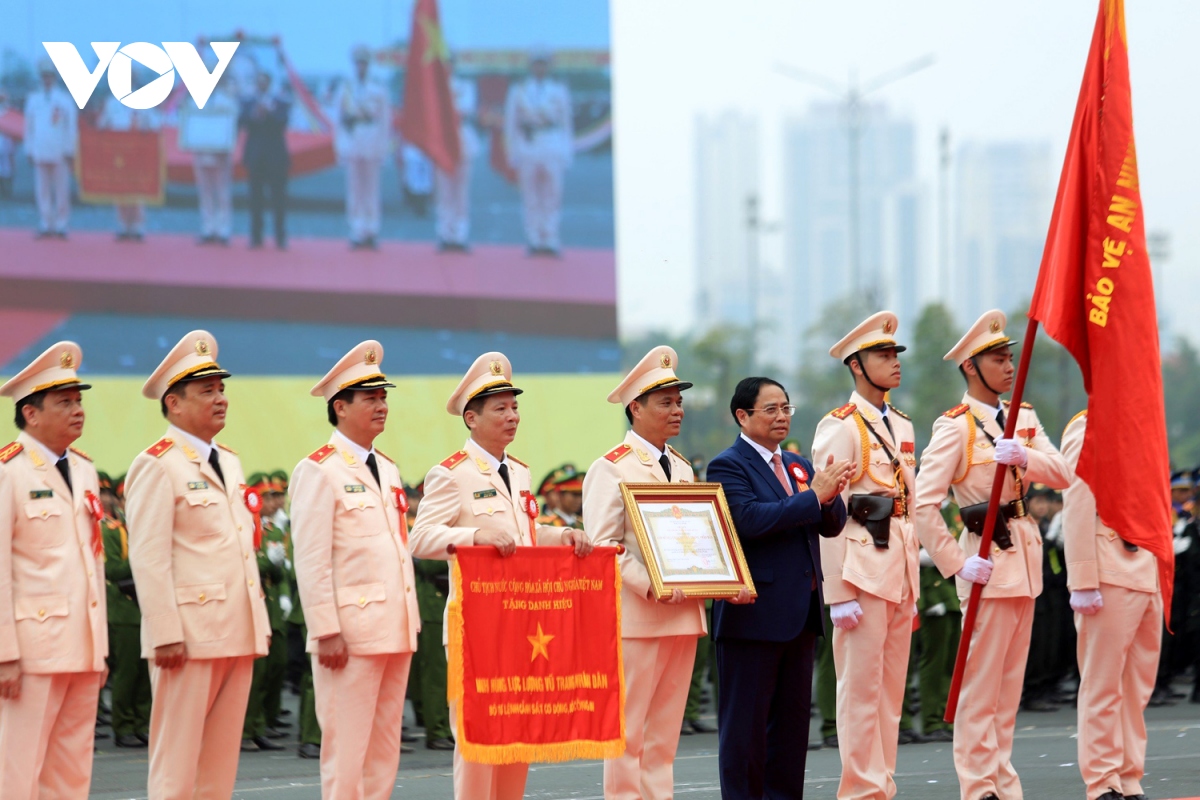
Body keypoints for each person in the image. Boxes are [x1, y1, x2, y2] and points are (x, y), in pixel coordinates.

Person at [410, 351, 589, 800]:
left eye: (515, 407)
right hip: (477, 624)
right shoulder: (450, 474)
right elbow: (420, 538)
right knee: (479, 737)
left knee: (517, 735)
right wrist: (475, 535)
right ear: (471, 418)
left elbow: (525, 535)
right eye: (501, 409)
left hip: (524, 622)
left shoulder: (520, 472)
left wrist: (563, 535)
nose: (513, 417)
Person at [913, 309, 1071, 800]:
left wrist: (1026, 457)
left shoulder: (1024, 417)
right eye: (997, 359)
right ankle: (979, 785)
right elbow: (923, 504)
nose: (1008, 367)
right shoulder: (955, 427)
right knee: (981, 688)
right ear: (970, 367)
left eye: (1009, 358)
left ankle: (1004, 783)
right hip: (985, 562)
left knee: (1008, 689)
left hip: (1023, 559)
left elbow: (1063, 473)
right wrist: (956, 563)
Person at [125, 330, 271, 799]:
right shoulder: (156, 464)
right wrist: (164, 631)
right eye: (207, 391)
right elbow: (148, 556)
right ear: (174, 403)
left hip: (236, 630)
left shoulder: (229, 461)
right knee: (177, 763)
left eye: (221, 389)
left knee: (218, 766)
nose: (221, 399)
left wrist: (257, 621)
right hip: (187, 636)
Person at [582, 345, 731, 799]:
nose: (677, 410)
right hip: (639, 616)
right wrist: (651, 585)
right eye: (665, 402)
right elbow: (603, 546)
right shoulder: (611, 468)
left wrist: (722, 577)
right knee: (628, 733)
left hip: (683, 614)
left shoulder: (683, 468)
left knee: (664, 738)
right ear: (636, 407)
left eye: (679, 401)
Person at [706, 376, 852, 799]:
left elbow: (831, 525)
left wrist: (829, 497)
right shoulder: (728, 465)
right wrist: (813, 497)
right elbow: (749, 520)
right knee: (746, 733)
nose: (781, 416)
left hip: (800, 614)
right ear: (742, 415)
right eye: (770, 409)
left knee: (790, 734)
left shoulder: (796, 464)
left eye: (786, 408)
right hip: (752, 617)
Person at [288, 340, 418, 798]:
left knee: (384, 750)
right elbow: (311, 557)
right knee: (346, 755)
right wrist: (326, 629)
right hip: (350, 632)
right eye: (370, 398)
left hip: (394, 626)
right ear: (340, 407)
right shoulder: (318, 470)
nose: (382, 406)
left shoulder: (387, 468)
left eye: (383, 397)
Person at [811, 311, 921, 799]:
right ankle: (860, 790)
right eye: (883, 355)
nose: (894, 362)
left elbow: (908, 503)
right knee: (859, 691)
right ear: (856, 365)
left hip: (898, 567)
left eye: (896, 353)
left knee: (889, 693)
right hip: (861, 571)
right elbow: (826, 510)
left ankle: (881, 784)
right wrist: (837, 591)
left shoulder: (901, 422)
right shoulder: (840, 426)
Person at [0, 342, 107, 798]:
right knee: (16, 770)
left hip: (82, 645)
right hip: (31, 650)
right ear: (30, 413)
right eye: (64, 402)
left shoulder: (83, 469)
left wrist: (100, 647)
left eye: (78, 400)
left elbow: (92, 560)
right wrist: (4, 653)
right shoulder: (9, 471)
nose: (78, 410)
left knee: (70, 771)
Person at [1061, 410, 1161, 800]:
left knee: (1137, 687)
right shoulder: (1089, 425)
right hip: (1108, 566)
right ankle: (1103, 781)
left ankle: (1129, 776)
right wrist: (1082, 579)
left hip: (1146, 564)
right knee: (1103, 684)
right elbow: (1077, 501)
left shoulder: (1141, 425)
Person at [504, 47, 573, 256]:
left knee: (553, 195)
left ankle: (550, 239)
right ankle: (534, 239)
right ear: (530, 66)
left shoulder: (559, 90)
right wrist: (512, 152)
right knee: (530, 196)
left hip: (552, 142)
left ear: (549, 67)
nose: (540, 68)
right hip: (528, 144)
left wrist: (567, 152)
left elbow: (566, 123)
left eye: (543, 64)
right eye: (536, 63)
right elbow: (511, 123)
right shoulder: (519, 90)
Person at [100, 470, 152, 749]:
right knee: (127, 672)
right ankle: (123, 726)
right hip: (125, 609)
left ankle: (143, 724)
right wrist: (142, 555)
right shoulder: (111, 530)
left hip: (147, 608)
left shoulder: (146, 529)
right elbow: (112, 569)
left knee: (146, 674)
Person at [240, 473, 288, 753]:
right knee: (254, 672)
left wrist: (277, 569)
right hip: (252, 602)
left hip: (270, 604)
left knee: (272, 668)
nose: (271, 502)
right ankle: (247, 729)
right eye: (266, 496)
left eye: (273, 496)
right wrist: (268, 563)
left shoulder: (271, 529)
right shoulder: (245, 525)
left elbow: (277, 573)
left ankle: (260, 725)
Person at [337, 46, 391, 250]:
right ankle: (357, 230)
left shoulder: (378, 88)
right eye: (358, 63)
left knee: (372, 189)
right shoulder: (346, 88)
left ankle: (372, 230)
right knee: (355, 189)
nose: (361, 67)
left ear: (369, 65)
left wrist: (384, 147)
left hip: (372, 138)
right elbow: (339, 119)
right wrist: (340, 147)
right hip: (353, 138)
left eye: (364, 63)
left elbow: (385, 120)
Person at [97, 92, 162, 241]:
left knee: (137, 188)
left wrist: (146, 126)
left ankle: (137, 226)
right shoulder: (111, 103)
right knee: (120, 189)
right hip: (118, 154)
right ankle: (123, 225)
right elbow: (102, 125)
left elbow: (156, 123)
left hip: (138, 153)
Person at [24, 58, 77, 239]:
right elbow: (29, 127)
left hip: (60, 151)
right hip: (40, 150)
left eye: (50, 76)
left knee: (62, 190)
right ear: (41, 77)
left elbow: (71, 127)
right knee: (42, 190)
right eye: (44, 76)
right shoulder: (33, 99)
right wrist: (29, 149)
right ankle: (46, 223)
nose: (47, 79)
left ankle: (61, 224)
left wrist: (70, 150)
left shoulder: (64, 100)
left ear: (55, 77)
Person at [240, 71, 291, 250]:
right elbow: (242, 122)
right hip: (255, 156)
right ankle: (256, 236)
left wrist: (269, 112)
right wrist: (255, 113)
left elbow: (283, 121)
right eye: (259, 81)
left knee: (279, 198)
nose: (261, 84)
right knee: (255, 198)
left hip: (276, 156)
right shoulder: (248, 102)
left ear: (269, 83)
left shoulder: (280, 101)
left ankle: (280, 236)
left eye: (264, 81)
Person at [187, 73, 238, 245]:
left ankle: (223, 230)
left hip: (221, 153)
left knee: (222, 191)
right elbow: (189, 124)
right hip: (201, 152)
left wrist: (225, 142)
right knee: (205, 191)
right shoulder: (194, 102)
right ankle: (208, 229)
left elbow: (232, 125)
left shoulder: (227, 101)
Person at [436, 55, 479, 252]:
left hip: (462, 137)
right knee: (444, 191)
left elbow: (465, 110)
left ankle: (460, 235)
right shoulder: (433, 88)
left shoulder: (466, 86)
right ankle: (445, 234)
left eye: (450, 62)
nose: (447, 66)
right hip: (443, 139)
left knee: (461, 191)